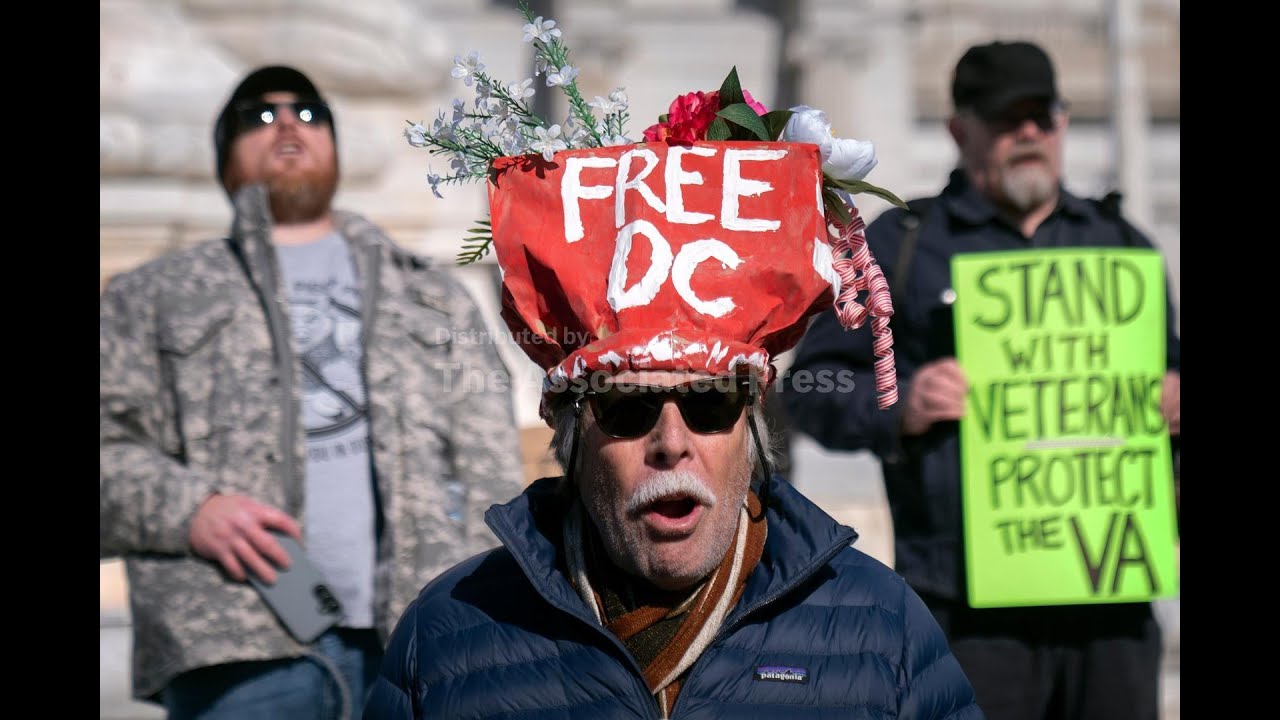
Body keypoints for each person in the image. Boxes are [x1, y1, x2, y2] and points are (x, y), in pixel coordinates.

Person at [363, 26, 983, 714]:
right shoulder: (449, 639)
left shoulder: (883, 630)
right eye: (627, 409)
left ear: (750, 429)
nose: (672, 441)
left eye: (709, 404)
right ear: (568, 432)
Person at [99, 65, 525, 719]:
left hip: (427, 643)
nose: (288, 124)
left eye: (308, 111)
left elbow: (492, 468)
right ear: (224, 154)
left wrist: (482, 617)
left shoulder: (433, 295)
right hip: (238, 643)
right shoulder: (150, 296)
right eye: (259, 116)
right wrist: (191, 509)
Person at [784, 40, 1180, 720]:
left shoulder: (1120, 246)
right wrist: (902, 406)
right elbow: (809, 388)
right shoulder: (900, 246)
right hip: (967, 613)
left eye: (1041, 116)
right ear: (960, 130)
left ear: (1060, 124)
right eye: (1005, 118)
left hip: (1110, 611)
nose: (1026, 133)